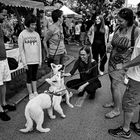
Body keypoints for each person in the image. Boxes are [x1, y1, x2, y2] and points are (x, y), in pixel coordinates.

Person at [105, 8, 140, 119]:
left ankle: (116, 110)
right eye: (117, 20)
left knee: (115, 85)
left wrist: (125, 65)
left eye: (121, 21)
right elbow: (113, 42)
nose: (118, 23)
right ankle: (114, 102)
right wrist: (110, 45)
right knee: (112, 83)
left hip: (123, 63)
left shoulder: (136, 30)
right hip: (112, 61)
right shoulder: (118, 28)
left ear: (128, 20)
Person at [108, 32, 140, 139]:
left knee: (129, 102)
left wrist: (124, 65)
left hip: (137, 77)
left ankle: (125, 130)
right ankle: (138, 126)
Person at [18, 14, 42, 100]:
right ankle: (30, 93)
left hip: (35, 60)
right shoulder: (22, 35)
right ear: (28, 24)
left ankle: (35, 91)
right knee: (29, 77)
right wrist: (24, 63)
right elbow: (21, 50)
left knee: (34, 76)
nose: (34, 26)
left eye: (35, 24)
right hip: (28, 61)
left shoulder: (36, 34)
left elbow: (39, 48)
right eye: (32, 24)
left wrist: (40, 61)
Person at [0, 9, 16, 121]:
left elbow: (6, 36)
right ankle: (0, 109)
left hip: (3, 58)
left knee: (4, 82)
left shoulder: (0, 26)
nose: (5, 16)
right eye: (2, 14)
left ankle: (4, 103)